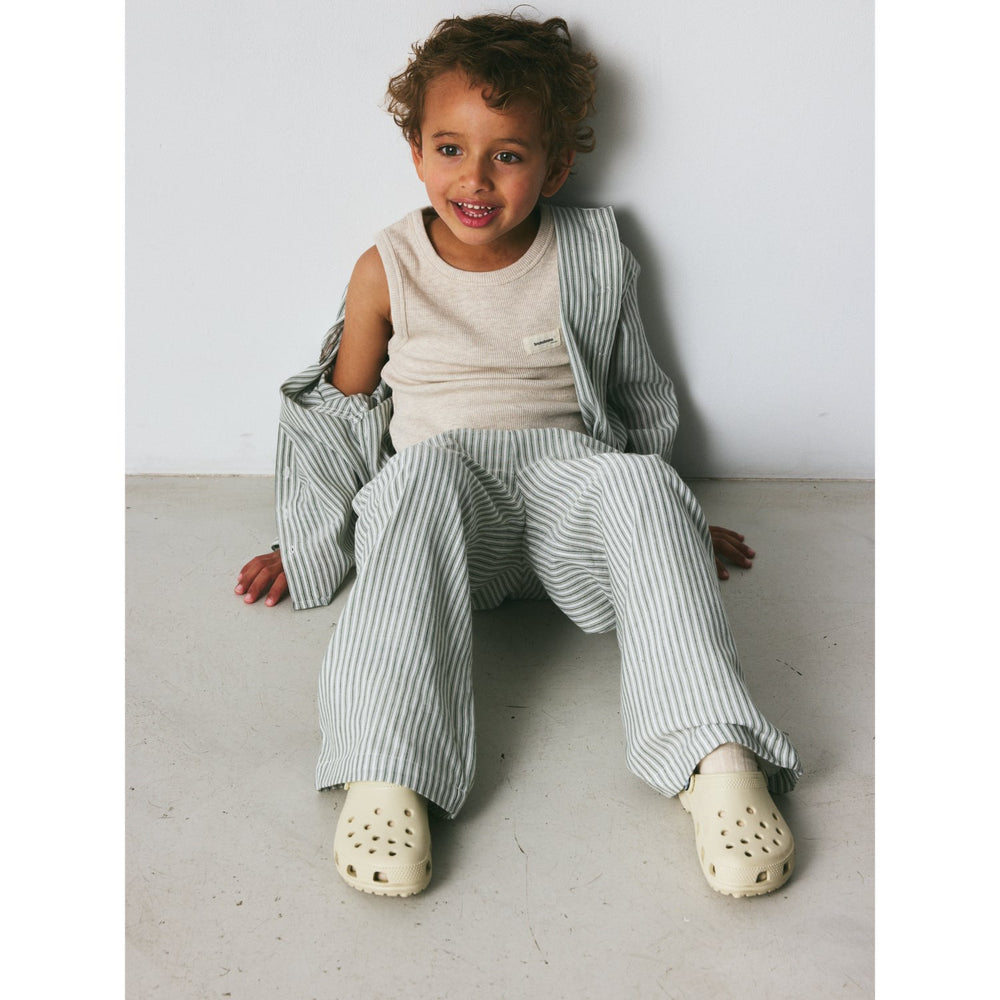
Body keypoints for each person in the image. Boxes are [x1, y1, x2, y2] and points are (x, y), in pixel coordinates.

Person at [235, 13, 801, 900]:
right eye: (450, 149)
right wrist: (308, 539)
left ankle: (717, 758)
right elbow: (343, 413)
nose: (475, 178)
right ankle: (386, 769)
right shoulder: (388, 266)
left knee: (644, 483)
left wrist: (671, 528)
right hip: (449, 509)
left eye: (507, 155)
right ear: (417, 154)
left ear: (555, 165)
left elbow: (637, 395)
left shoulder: (592, 253)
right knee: (416, 477)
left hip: (567, 492)